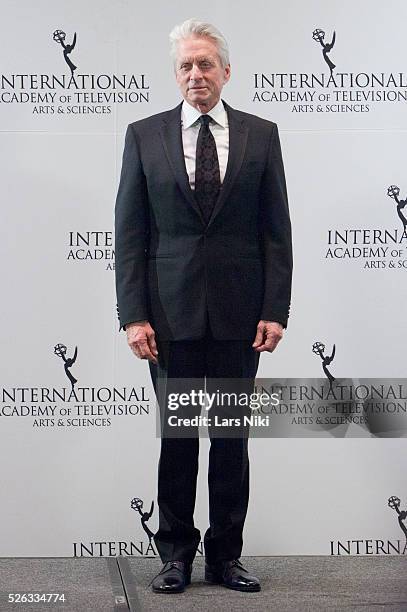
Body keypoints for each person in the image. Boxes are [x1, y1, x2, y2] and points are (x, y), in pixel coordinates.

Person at [115, 18, 293, 594]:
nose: (197, 74)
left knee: (232, 442)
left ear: (226, 72)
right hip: (169, 319)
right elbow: (131, 235)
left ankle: (225, 557)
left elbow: (275, 233)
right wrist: (133, 315)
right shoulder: (144, 136)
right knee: (178, 442)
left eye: (206, 64)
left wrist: (275, 308)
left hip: (242, 320)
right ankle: (175, 557)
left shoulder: (262, 135)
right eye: (186, 66)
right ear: (176, 75)